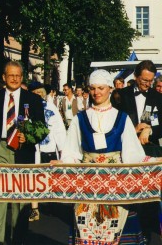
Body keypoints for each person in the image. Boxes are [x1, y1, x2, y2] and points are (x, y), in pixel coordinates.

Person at [51, 69, 162, 245]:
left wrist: (155, 162)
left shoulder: (122, 118)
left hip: (116, 187)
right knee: (87, 232)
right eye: (93, 88)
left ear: (110, 88)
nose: (97, 92)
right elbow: (72, 152)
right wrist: (62, 163)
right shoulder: (80, 119)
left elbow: (133, 154)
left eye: (101, 88)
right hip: (87, 187)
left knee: (116, 231)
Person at [0, 61, 45, 244]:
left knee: (20, 199)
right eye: (11, 75)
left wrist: (29, 136)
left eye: (18, 75)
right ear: (4, 77)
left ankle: (18, 238)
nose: (15, 79)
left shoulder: (32, 99)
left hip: (22, 152)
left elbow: (42, 129)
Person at [111, 60, 162, 242]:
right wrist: (133, 130)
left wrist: (151, 130)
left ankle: (146, 236)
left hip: (150, 153)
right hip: (126, 154)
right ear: (135, 76)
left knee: (148, 200)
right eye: (144, 81)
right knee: (128, 198)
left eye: (150, 81)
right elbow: (112, 124)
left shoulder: (158, 98)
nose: (147, 84)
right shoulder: (120, 96)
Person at [29, 82, 66, 222]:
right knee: (34, 179)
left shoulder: (51, 108)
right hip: (34, 149)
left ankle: (52, 203)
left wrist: (62, 149)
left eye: (40, 93)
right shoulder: (27, 108)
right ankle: (34, 209)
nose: (38, 95)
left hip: (49, 148)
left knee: (51, 178)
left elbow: (59, 129)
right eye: (35, 93)